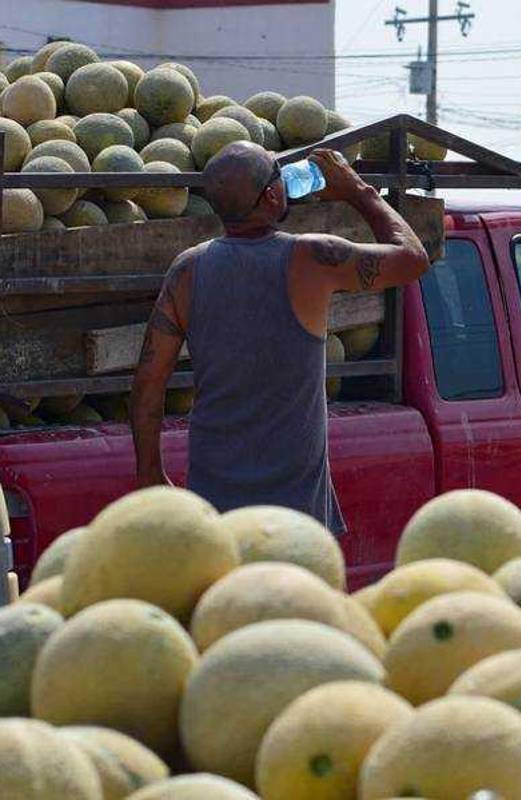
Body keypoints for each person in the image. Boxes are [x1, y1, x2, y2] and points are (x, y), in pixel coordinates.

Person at [130, 143, 429, 531]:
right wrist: (358, 191)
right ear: (272, 195)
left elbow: (147, 386)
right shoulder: (313, 258)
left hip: (215, 517)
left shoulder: (187, 271)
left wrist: (150, 475)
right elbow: (412, 258)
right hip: (296, 520)